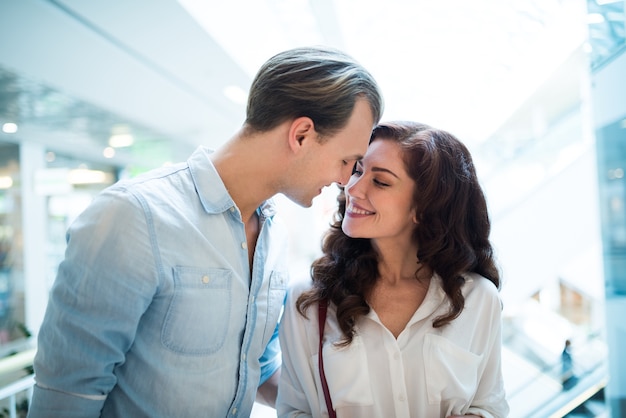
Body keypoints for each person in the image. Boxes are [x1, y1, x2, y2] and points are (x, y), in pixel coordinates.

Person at [27, 46, 383, 418]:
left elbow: (254, 369)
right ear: (302, 135)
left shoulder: (273, 235)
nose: (346, 181)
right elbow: (66, 394)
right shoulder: (132, 216)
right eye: (346, 161)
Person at [277, 121, 509, 418]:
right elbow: (293, 410)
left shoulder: (479, 299)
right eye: (358, 170)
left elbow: (491, 405)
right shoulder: (308, 300)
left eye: (381, 182)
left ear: (424, 208)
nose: (353, 188)